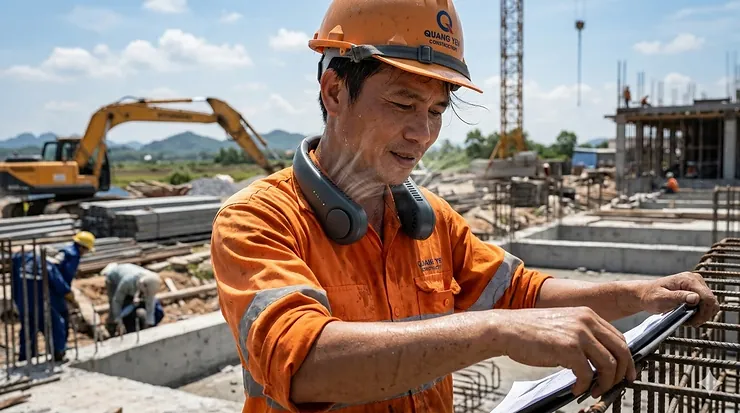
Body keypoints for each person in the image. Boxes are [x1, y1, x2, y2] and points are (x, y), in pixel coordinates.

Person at [210, 1, 720, 412]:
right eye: (403, 104)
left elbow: (520, 291)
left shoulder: (428, 219)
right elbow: (304, 365)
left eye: (436, 111)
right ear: (335, 89)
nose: (423, 134)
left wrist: (638, 293)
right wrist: (495, 330)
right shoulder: (258, 220)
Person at [11, 231, 95, 362]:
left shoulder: (22, 261)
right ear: (82, 247)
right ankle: (58, 352)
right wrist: (67, 293)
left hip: (24, 300)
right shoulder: (64, 258)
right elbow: (59, 281)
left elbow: (14, 285)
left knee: (29, 327)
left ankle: (26, 357)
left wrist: (17, 301)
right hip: (46, 297)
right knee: (57, 324)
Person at [101, 263, 164, 334]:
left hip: (132, 278)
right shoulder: (127, 282)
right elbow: (117, 301)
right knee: (115, 307)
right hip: (113, 280)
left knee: (156, 309)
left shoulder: (151, 281)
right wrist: (119, 321)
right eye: (145, 293)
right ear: (142, 285)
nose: (146, 295)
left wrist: (149, 324)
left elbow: (150, 303)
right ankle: (111, 326)